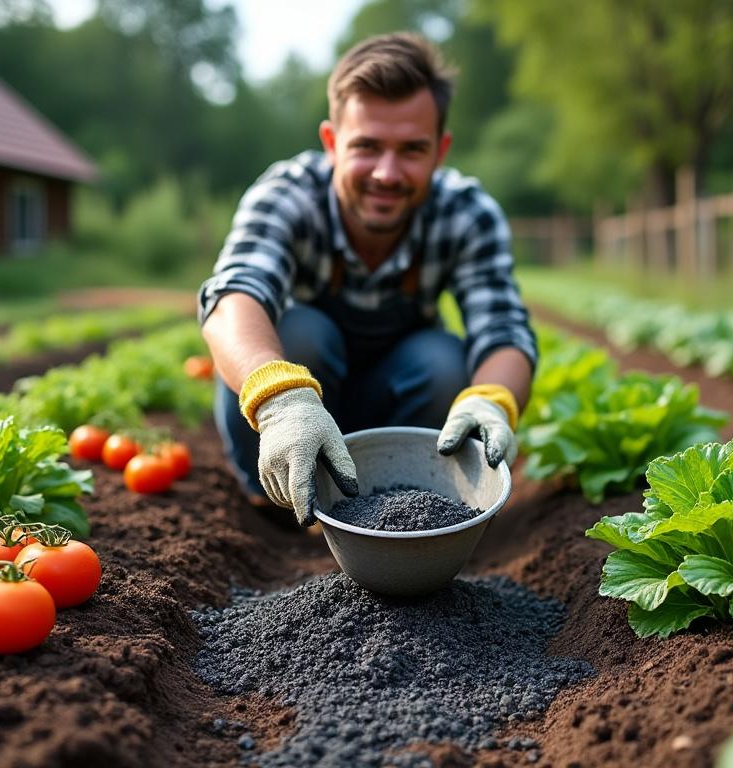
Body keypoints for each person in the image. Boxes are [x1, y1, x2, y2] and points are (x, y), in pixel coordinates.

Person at [198, 31, 537, 527]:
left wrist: (492, 400)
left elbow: (503, 328)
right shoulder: (287, 196)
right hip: (303, 402)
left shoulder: (466, 212)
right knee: (300, 334)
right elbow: (234, 296)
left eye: (411, 150)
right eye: (367, 147)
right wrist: (281, 402)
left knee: (444, 363)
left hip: (396, 408)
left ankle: (401, 505)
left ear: (440, 151)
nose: (386, 172)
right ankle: (275, 504)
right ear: (332, 143)